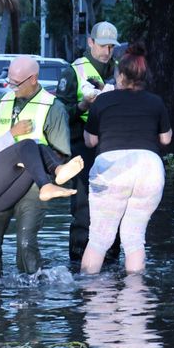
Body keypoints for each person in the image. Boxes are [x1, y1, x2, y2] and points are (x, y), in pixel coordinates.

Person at [80, 44, 172, 276]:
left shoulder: (102, 101)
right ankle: (135, 301)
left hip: (112, 169)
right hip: (149, 169)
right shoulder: (156, 102)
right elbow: (166, 139)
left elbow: (90, 141)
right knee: (134, 238)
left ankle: (91, 296)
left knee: (100, 239)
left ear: (121, 74)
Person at [0, 55, 72, 279]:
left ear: (34, 79)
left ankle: (32, 290)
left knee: (25, 242)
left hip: (32, 184)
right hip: (0, 182)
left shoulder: (54, 108)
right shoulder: (4, 101)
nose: (10, 86)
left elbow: (61, 156)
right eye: (9, 80)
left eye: (16, 83)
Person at [0, 80, 79, 224]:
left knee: (34, 152)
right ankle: (47, 183)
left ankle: (58, 171)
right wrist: (12, 133)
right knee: (26, 145)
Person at [62, 21, 121, 268]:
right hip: (81, 147)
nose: (107, 51)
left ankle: (111, 260)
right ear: (90, 42)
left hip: (112, 145)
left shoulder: (119, 70)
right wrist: (82, 106)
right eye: (102, 45)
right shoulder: (74, 71)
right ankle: (78, 260)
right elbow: (61, 115)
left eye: (111, 46)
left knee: (115, 204)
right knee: (83, 207)